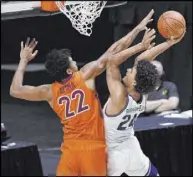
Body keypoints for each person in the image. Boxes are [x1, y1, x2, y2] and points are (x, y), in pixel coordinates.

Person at [9, 10, 155, 176]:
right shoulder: (85, 76)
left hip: (70, 151)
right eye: (72, 61)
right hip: (93, 150)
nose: (75, 62)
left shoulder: (49, 92)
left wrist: (23, 61)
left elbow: (15, 90)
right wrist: (137, 30)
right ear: (69, 71)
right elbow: (114, 51)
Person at [103, 25, 185, 176]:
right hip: (130, 144)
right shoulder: (143, 93)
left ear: (134, 82)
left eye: (131, 71)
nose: (127, 70)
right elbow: (141, 61)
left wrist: (140, 46)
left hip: (113, 150)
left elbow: (112, 62)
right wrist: (169, 43)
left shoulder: (119, 96)